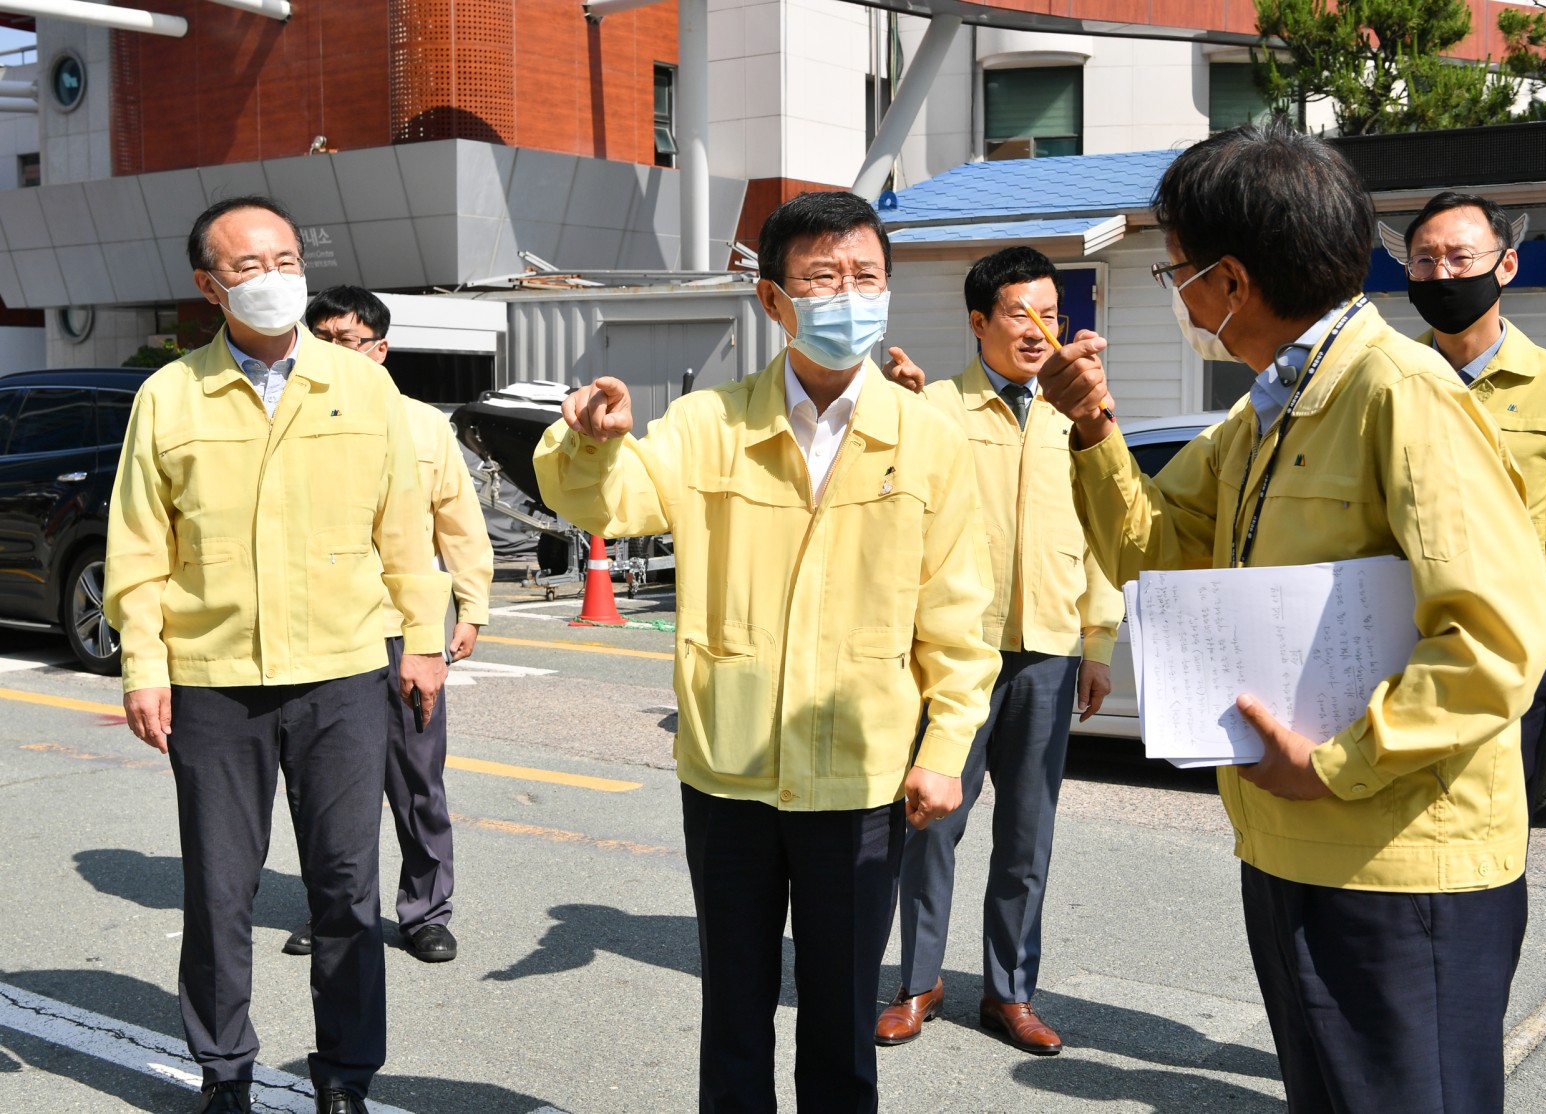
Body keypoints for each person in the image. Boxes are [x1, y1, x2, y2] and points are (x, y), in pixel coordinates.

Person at [1036, 122, 1546, 1114]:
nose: (1179, 294)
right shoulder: (1268, 409)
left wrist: (1336, 763)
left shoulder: (1402, 395)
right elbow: (1154, 551)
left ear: (1232, 281)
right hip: (1290, 842)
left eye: (1179, 270)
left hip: (1400, 867)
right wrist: (1095, 430)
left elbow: (1498, 636)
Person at [533, 190, 999, 1112]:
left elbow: (959, 616)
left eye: (866, 276)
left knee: (839, 1023)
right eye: (822, 278)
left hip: (860, 780)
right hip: (729, 777)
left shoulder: (929, 440)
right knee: (735, 1016)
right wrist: (588, 443)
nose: (848, 296)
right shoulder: (708, 424)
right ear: (773, 300)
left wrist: (945, 749)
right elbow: (606, 501)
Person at [105, 197, 451, 1114]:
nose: (274, 278)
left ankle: (345, 1075)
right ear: (208, 285)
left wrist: (424, 641)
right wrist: (144, 666)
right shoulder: (169, 396)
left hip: (344, 671)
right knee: (220, 890)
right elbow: (137, 547)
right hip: (214, 681)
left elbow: (405, 529)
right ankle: (225, 1072)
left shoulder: (361, 386)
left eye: (287, 259)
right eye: (249, 265)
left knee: (346, 886)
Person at [874, 247, 1120, 1055]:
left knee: (1027, 835)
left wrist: (1097, 640)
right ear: (979, 322)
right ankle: (918, 981)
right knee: (930, 825)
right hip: (956, 654)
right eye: (1020, 313)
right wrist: (897, 411)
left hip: (1049, 651)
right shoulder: (936, 407)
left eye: (1050, 313)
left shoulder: (1076, 412)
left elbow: (1104, 534)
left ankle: (1010, 992)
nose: (1038, 329)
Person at [276, 286, 494, 964]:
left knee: (416, 780)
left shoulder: (423, 426)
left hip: (407, 629)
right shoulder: (288, 418)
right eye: (322, 339)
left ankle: (425, 912)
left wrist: (472, 607)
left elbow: (459, 523)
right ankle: (336, 908)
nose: (335, 352)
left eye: (348, 341)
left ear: (380, 349)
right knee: (327, 785)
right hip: (327, 629)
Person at [1399, 191, 1546, 803]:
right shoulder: (1386, 380)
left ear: (1506, 265)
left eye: (1460, 258)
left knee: (1497, 835)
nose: (1441, 275)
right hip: (1398, 657)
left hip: (1514, 669)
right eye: (1424, 260)